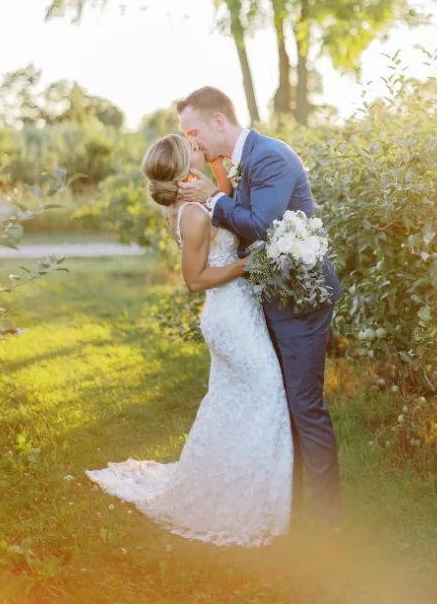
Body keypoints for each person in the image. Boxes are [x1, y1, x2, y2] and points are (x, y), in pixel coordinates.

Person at [86, 133, 293, 548]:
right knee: (266, 394)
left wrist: (217, 171)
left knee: (234, 403)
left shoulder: (196, 202)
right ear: (184, 164)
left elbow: (228, 196)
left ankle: (239, 487)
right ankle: (247, 502)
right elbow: (195, 280)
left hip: (238, 314)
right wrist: (244, 265)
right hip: (228, 317)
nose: (198, 144)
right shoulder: (194, 214)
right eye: (192, 144)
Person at [177, 86, 343, 531]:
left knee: (305, 406)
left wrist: (212, 198)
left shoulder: (268, 156)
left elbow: (260, 225)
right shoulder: (242, 161)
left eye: (195, 132)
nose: (193, 143)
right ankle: (288, 506)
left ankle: (327, 523)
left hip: (300, 300)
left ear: (218, 122)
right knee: (285, 404)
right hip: (273, 297)